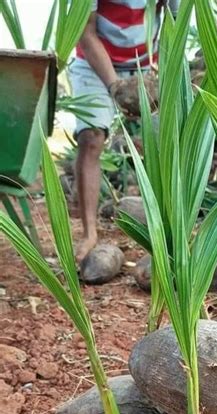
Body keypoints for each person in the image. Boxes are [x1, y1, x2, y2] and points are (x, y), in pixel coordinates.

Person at [70, 0, 177, 261]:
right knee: (91, 138)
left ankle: (170, 230)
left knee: (169, 137)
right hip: (93, 62)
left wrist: (159, 72)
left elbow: (174, 25)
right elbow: (85, 33)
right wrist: (115, 87)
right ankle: (89, 232)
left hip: (145, 61)